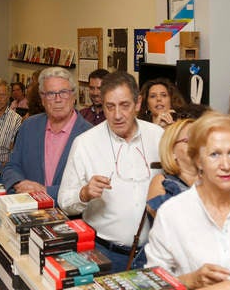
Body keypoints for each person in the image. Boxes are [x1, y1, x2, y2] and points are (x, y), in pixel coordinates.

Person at [144, 113, 230, 289]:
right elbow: (152, 284)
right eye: (214, 154)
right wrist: (192, 280)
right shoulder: (172, 214)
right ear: (198, 160)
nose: (226, 164)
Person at [59, 71, 163, 273]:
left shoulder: (158, 136)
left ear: (138, 103)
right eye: (110, 107)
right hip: (104, 253)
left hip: (154, 252)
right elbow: (64, 201)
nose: (117, 115)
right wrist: (85, 194)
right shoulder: (84, 143)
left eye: (125, 105)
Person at [1, 67, 92, 201]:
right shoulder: (28, 126)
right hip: (28, 207)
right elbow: (11, 165)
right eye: (50, 94)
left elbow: (88, 187)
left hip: (71, 217)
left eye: (64, 92)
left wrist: (46, 192)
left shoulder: (89, 135)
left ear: (73, 97)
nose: (58, 99)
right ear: (42, 99)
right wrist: (18, 183)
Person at [145, 118, 198, 216]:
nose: (196, 145)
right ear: (172, 151)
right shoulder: (161, 181)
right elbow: (163, 216)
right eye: (188, 141)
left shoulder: (213, 181)